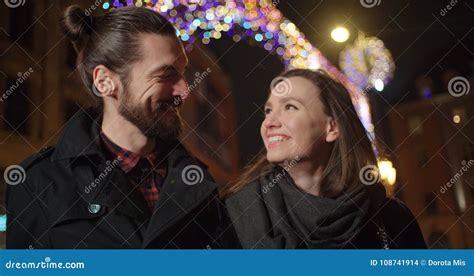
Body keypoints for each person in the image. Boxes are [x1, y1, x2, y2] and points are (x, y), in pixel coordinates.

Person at [6, 5, 236, 249]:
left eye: (182, 73)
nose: (184, 90)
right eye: (165, 75)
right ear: (105, 82)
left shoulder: (200, 183)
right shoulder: (39, 184)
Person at [223, 69, 426, 249]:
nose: (269, 122)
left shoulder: (392, 220)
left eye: (290, 107)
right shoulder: (236, 213)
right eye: (268, 110)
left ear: (332, 128)